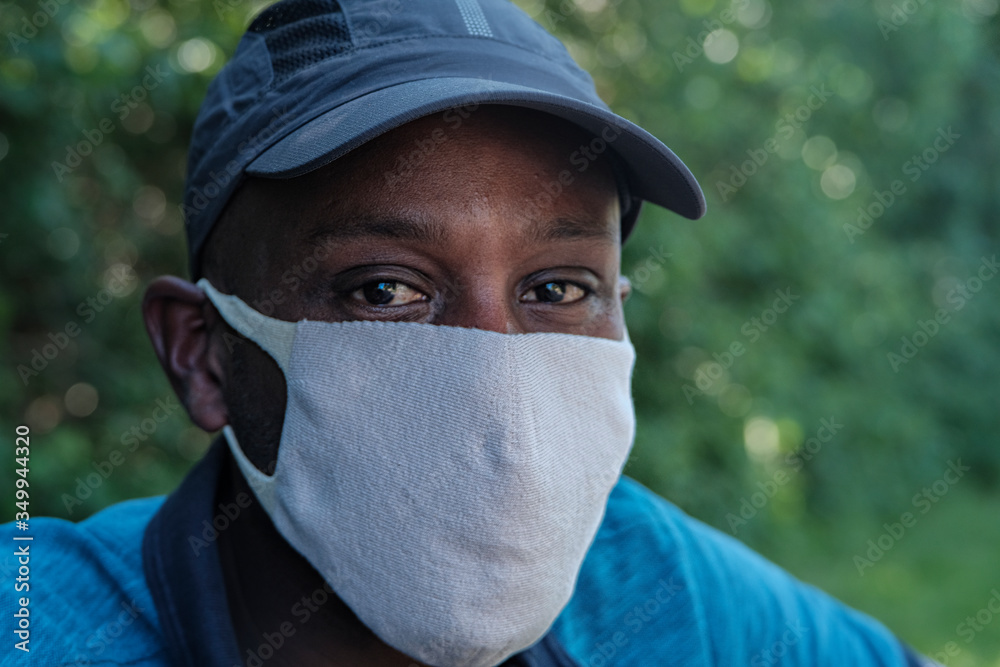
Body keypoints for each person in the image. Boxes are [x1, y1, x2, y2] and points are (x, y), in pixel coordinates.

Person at [3, 0, 940, 665]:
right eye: (384, 289)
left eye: (559, 285)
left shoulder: (653, 588)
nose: (497, 387)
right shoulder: (42, 624)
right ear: (201, 352)